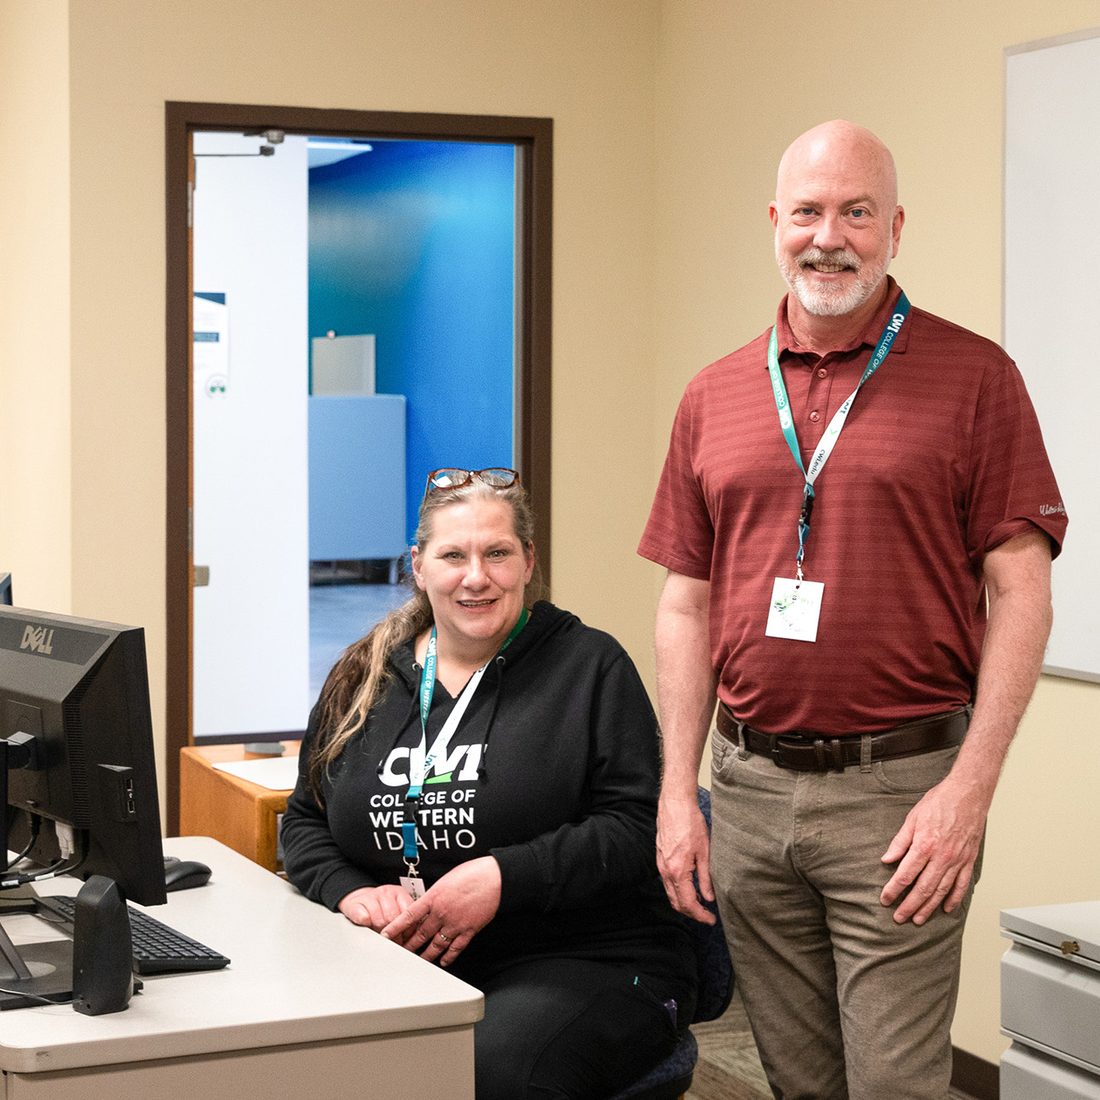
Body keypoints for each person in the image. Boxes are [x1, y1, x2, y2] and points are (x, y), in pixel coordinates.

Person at [638, 120, 1067, 1100]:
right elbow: (684, 602)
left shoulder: (974, 378)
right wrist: (676, 793)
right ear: (774, 224)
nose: (826, 236)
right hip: (744, 790)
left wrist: (967, 790)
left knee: (892, 1084)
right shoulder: (712, 394)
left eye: (854, 212)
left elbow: (1020, 590)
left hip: (900, 793)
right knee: (797, 1080)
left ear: (894, 228)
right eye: (806, 211)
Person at [282, 468, 697, 1100]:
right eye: (453, 555)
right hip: (409, 957)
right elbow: (305, 819)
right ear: (418, 566)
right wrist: (349, 891)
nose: (476, 576)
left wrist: (503, 878)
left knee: (483, 1074)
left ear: (528, 561)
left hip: (584, 960)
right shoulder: (363, 676)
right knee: (282, 1053)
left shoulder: (590, 666)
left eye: (497, 553)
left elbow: (638, 830)